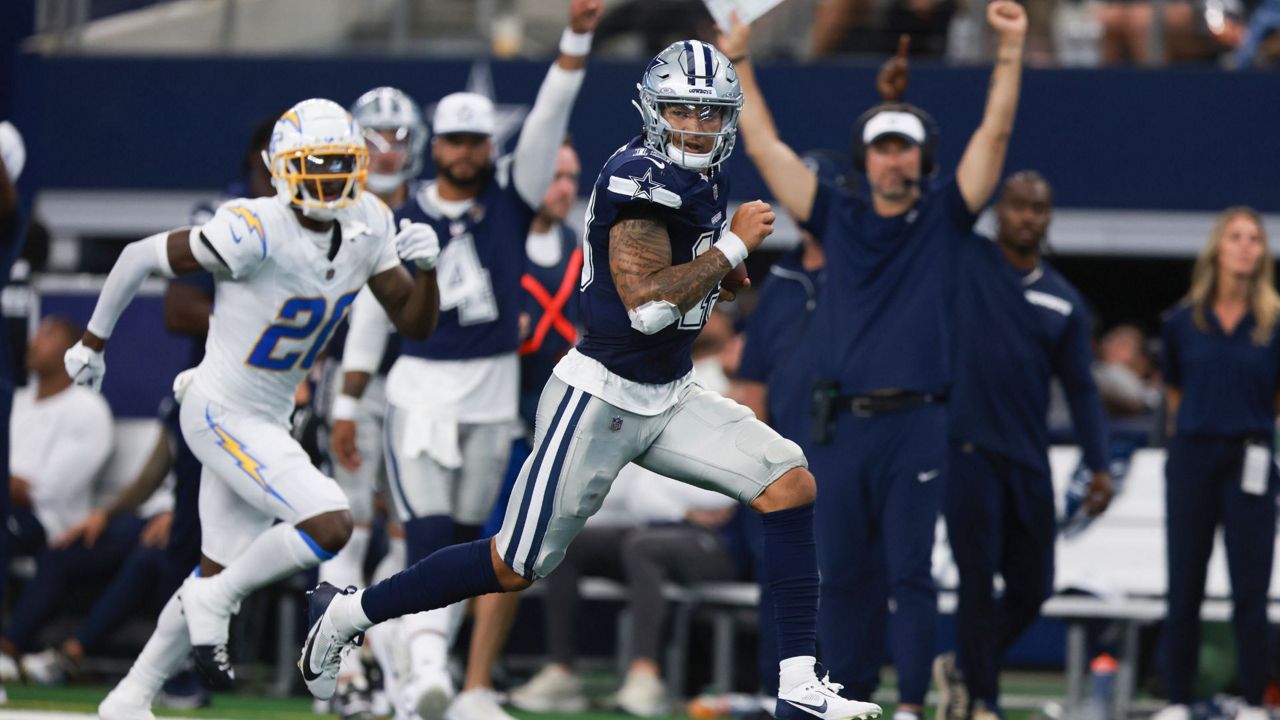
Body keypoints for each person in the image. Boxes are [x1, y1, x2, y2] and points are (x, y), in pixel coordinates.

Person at [301, 37, 883, 720]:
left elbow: (685, 275)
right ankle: (349, 613)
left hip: (668, 393)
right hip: (601, 396)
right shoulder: (637, 174)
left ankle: (796, 687)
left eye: (710, 114)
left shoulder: (704, 174)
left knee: (789, 480)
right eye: (680, 110)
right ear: (651, 109)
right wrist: (730, 246)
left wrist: (721, 271)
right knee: (512, 565)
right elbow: (644, 308)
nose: (696, 127)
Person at [65, 97, 442, 720]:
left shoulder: (371, 220)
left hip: (267, 418)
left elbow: (415, 323)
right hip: (219, 411)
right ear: (277, 169)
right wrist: (92, 342)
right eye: (312, 163)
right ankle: (217, 600)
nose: (326, 176)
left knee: (213, 568)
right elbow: (137, 256)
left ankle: (129, 696)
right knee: (331, 523)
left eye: (339, 162)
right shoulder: (254, 226)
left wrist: (427, 272)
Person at [719, 4, 1026, 715]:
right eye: (884, 147)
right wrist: (738, 59)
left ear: (923, 158)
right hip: (843, 426)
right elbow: (765, 149)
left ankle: (913, 704)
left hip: (916, 419)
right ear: (868, 158)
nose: (895, 158)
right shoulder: (839, 215)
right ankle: (846, 697)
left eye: (906, 148)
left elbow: (996, 134)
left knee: (911, 575)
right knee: (843, 575)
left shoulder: (943, 216)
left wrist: (1009, 50)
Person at [332, 5, 600, 718]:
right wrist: (346, 402)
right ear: (434, 142)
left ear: (489, 144)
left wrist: (575, 40)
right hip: (418, 387)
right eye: (453, 138)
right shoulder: (399, 210)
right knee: (421, 535)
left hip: (491, 391)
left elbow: (550, 114)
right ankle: (425, 668)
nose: (465, 151)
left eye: (476, 139)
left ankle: (418, 664)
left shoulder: (511, 198)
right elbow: (370, 308)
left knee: (467, 544)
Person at [933, 172, 1113, 720]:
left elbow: (1082, 389)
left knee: (1035, 587)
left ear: (1050, 216)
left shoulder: (1063, 301)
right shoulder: (967, 261)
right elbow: (946, 202)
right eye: (1018, 206)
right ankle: (983, 700)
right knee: (978, 580)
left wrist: (1100, 464)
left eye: (1039, 207)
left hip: (1028, 457)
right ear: (999, 210)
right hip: (967, 450)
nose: (1029, 217)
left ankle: (963, 668)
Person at [1153, 207, 1280, 720]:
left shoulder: (1273, 322)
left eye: (1254, 238)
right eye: (1236, 237)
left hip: (1249, 454)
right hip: (1193, 456)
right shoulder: (1182, 321)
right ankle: (1178, 699)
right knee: (1184, 582)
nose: (1246, 246)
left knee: (1250, 587)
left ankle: (1252, 700)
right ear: (1217, 248)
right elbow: (1174, 389)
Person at [3, 316, 118, 659]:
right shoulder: (15, 399)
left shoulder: (89, 409)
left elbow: (47, 492)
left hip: (50, 523)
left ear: (71, 350)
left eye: (48, 334)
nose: (34, 341)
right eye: (36, 333)